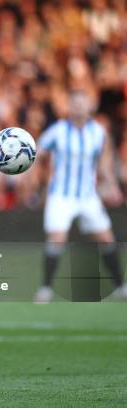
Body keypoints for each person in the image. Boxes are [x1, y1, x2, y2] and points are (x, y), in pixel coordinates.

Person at [34, 90, 126, 304]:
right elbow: (38, 152)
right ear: (69, 106)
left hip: (87, 195)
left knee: (106, 238)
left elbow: (103, 163)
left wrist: (112, 184)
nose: (79, 107)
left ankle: (121, 287)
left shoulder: (97, 132)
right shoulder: (57, 131)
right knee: (56, 239)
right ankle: (45, 289)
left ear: (90, 107)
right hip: (61, 195)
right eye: (75, 103)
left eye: (82, 103)